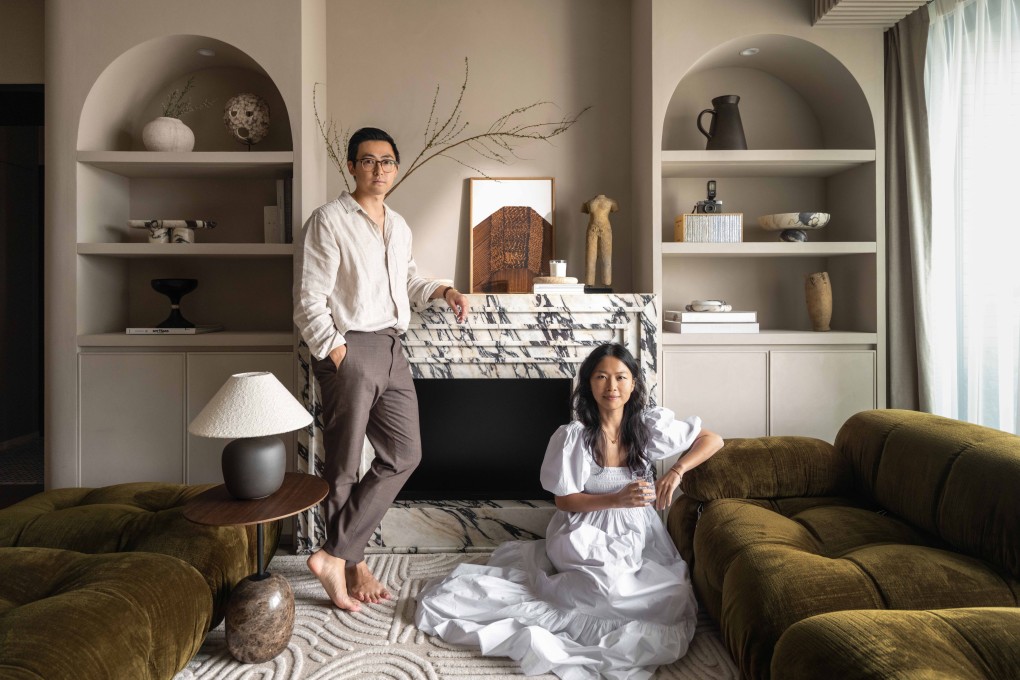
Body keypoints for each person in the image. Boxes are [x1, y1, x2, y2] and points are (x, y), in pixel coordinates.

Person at [415, 343, 724, 679]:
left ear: (633, 384)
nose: (612, 386)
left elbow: (712, 438)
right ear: (588, 384)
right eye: (601, 377)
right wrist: (616, 499)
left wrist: (676, 471)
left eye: (621, 377)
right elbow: (565, 501)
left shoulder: (647, 428)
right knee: (605, 587)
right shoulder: (574, 436)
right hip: (582, 529)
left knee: (671, 594)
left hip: (639, 531)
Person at [293, 127, 470, 612]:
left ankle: (334, 554)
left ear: (396, 168)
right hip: (350, 347)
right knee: (345, 463)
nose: (378, 170)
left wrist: (443, 291)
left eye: (387, 162)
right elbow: (309, 296)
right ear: (351, 166)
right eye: (368, 161)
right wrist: (335, 350)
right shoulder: (328, 220)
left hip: (393, 347)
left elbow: (408, 278)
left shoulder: (399, 224)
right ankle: (352, 563)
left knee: (404, 453)